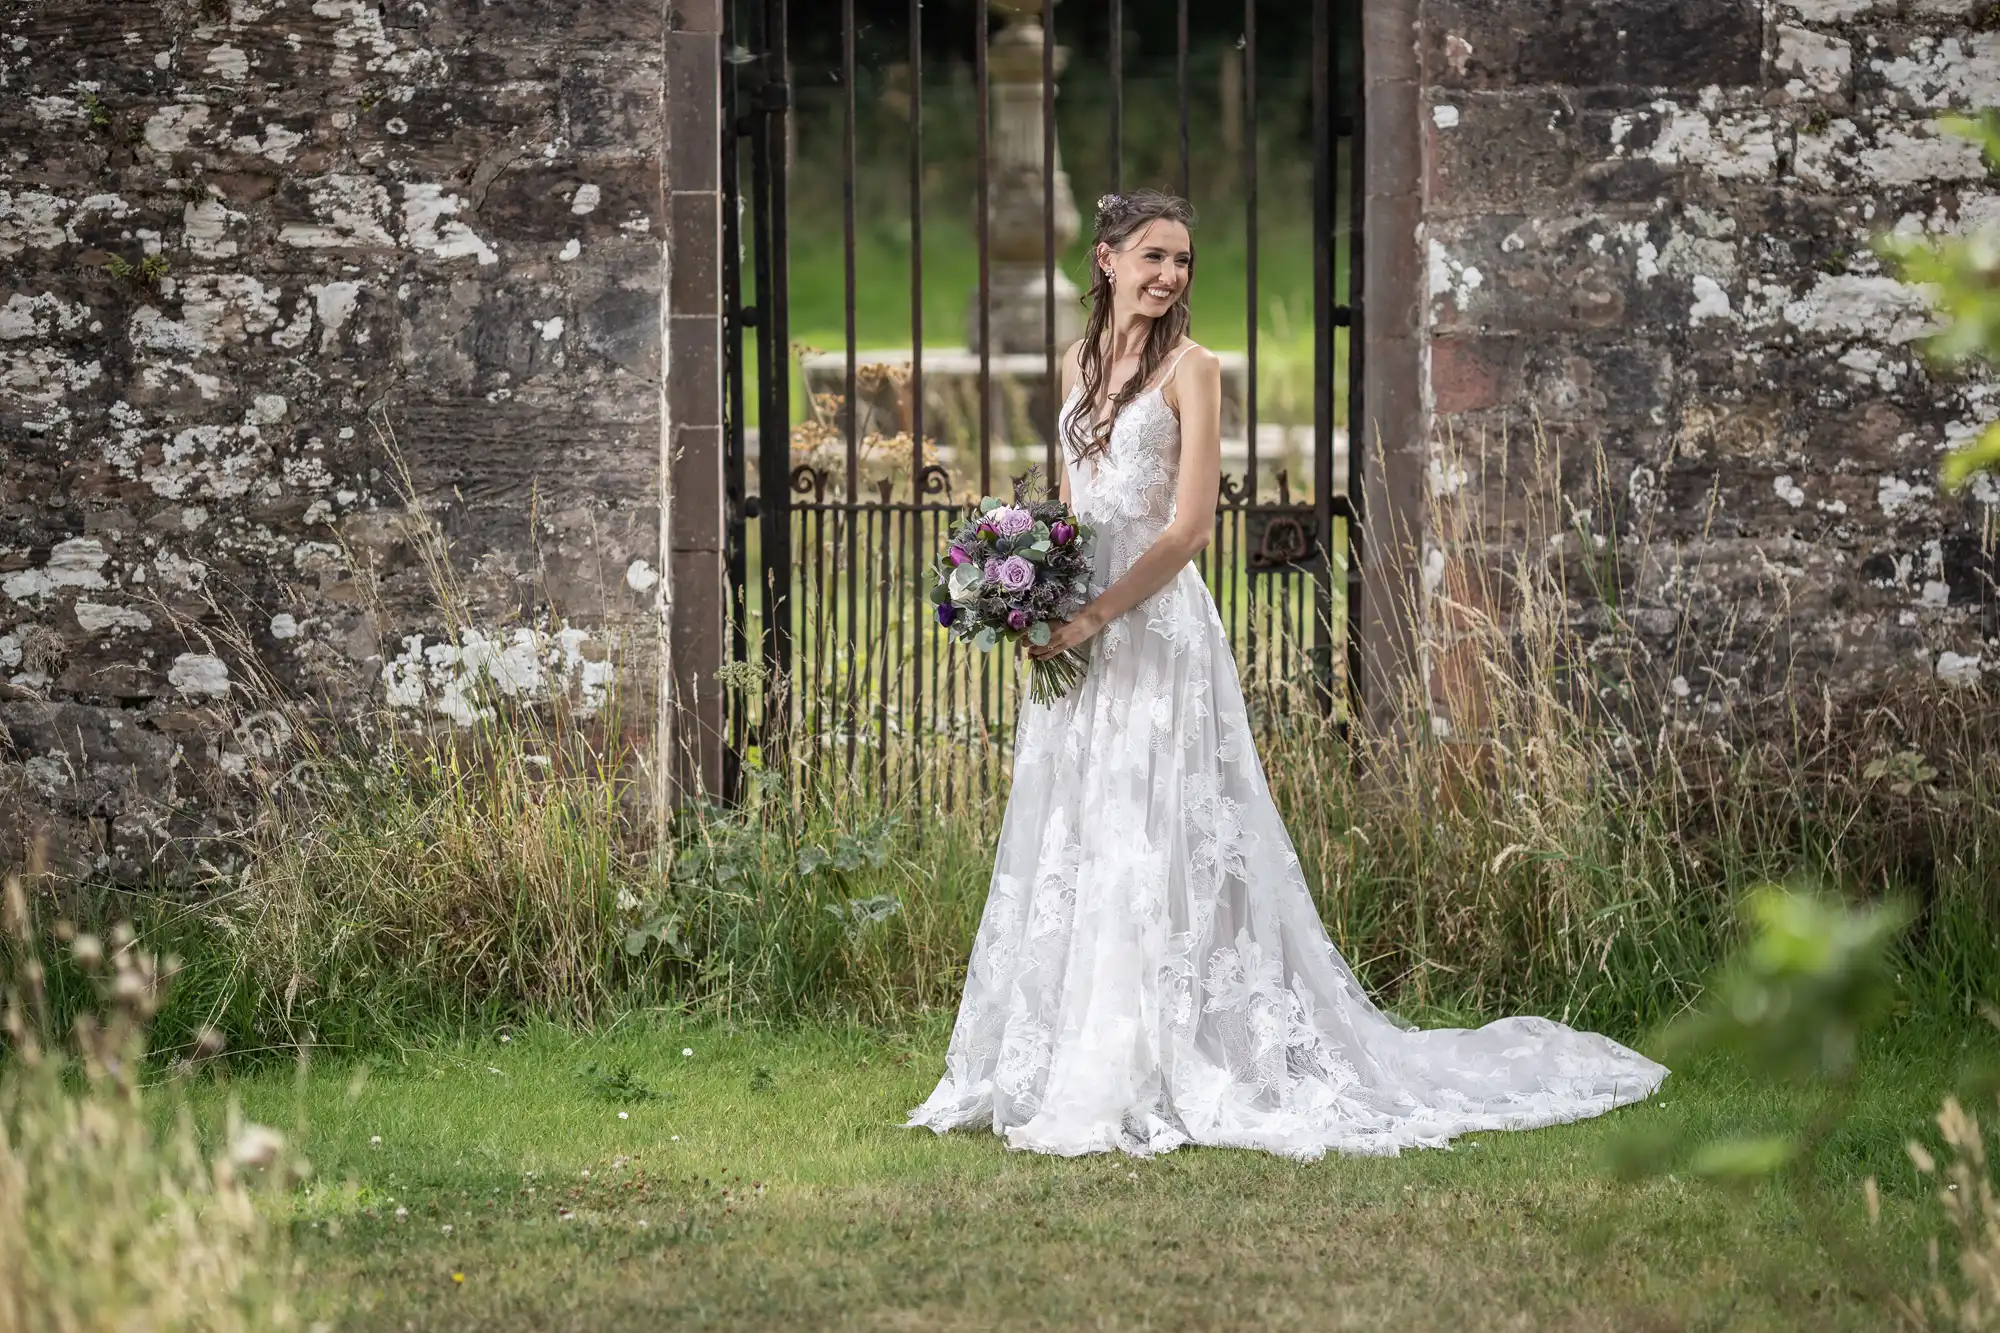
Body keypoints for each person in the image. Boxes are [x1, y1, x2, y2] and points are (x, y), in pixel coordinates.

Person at [907, 190, 1667, 1159]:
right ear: (1104, 260)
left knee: (1156, 822)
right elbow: (1070, 510)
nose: (1168, 276)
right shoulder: (1076, 365)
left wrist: (1099, 610)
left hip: (1154, 630)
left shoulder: (1194, 369)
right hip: (1080, 638)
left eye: (1180, 260)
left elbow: (1186, 529)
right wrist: (1039, 594)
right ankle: (1072, 1048)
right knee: (1086, 822)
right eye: (1150, 256)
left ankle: (1157, 1052)